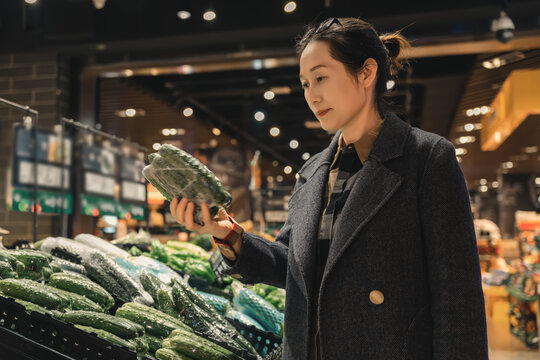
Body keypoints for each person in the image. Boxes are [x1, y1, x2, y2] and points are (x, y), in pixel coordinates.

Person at [170, 17, 488, 360]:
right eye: (305, 83)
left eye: (321, 78)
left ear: (367, 73)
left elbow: (458, 299)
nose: (312, 95)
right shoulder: (313, 172)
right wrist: (226, 233)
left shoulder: (426, 159)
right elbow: (290, 266)